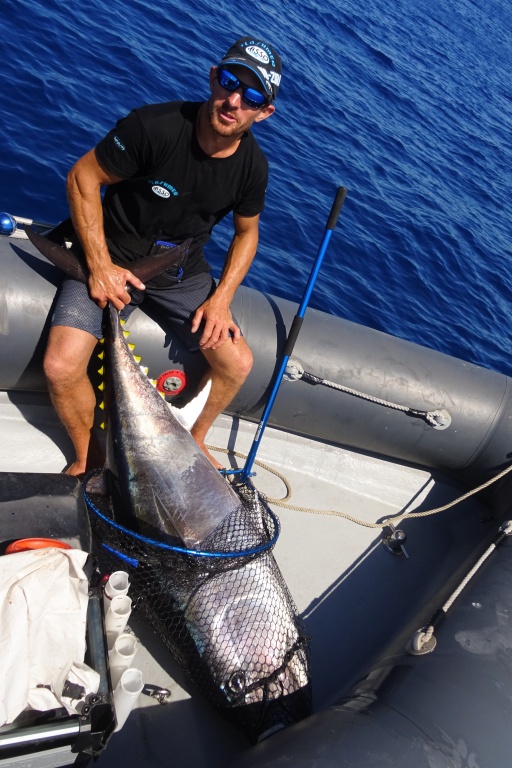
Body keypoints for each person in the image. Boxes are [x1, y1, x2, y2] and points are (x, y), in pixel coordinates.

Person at [43, 35, 282, 476]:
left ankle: (193, 439)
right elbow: (82, 177)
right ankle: (89, 457)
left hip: (178, 272)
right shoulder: (154, 127)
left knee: (238, 363)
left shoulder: (253, 167)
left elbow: (247, 233)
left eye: (251, 96)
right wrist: (98, 267)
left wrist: (222, 297)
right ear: (214, 76)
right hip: (110, 255)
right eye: (230, 81)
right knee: (60, 365)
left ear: (263, 111)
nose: (233, 101)